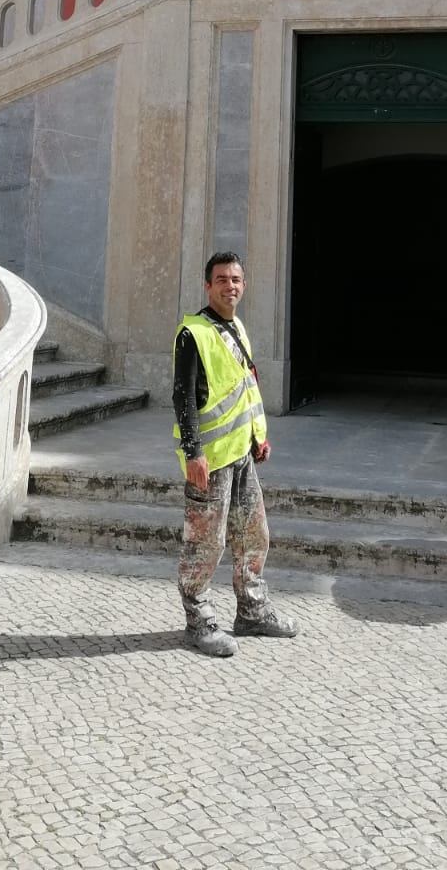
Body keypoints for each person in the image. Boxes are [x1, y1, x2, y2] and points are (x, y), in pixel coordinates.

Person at [172, 251, 298, 657]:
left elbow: (245, 386)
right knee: (205, 544)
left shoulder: (236, 327)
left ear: (244, 286)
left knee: (253, 534)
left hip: (240, 453)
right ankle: (199, 621)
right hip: (208, 460)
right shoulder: (192, 333)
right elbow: (183, 397)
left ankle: (252, 612)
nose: (230, 286)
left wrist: (258, 435)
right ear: (207, 285)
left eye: (236, 279)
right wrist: (193, 453)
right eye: (222, 279)